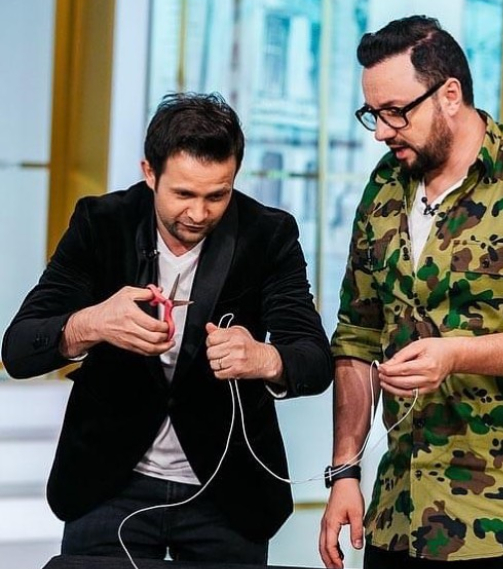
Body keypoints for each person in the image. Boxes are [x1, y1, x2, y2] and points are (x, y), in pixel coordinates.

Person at [1, 93, 333, 563]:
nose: (198, 214)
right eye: (183, 195)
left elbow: (315, 361)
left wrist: (265, 358)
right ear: (149, 172)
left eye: (217, 195)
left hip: (227, 493)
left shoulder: (268, 234)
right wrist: (92, 323)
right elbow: (18, 349)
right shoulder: (102, 223)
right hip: (108, 485)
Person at [319, 16, 503, 569]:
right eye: (372, 114)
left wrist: (456, 355)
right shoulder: (384, 187)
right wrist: (344, 473)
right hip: (397, 517)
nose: (381, 132)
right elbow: (357, 334)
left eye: (395, 111)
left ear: (450, 95)